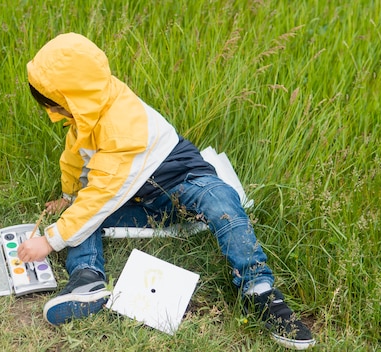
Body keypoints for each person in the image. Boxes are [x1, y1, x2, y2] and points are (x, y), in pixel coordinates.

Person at [17, 32, 315, 350]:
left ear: (73, 96)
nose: (57, 115)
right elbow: (76, 155)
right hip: (139, 197)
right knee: (83, 215)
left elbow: (102, 192)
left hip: (184, 181)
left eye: (57, 107)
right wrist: (67, 196)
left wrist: (49, 241)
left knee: (221, 201)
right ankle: (87, 279)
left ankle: (259, 289)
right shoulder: (89, 106)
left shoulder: (123, 124)